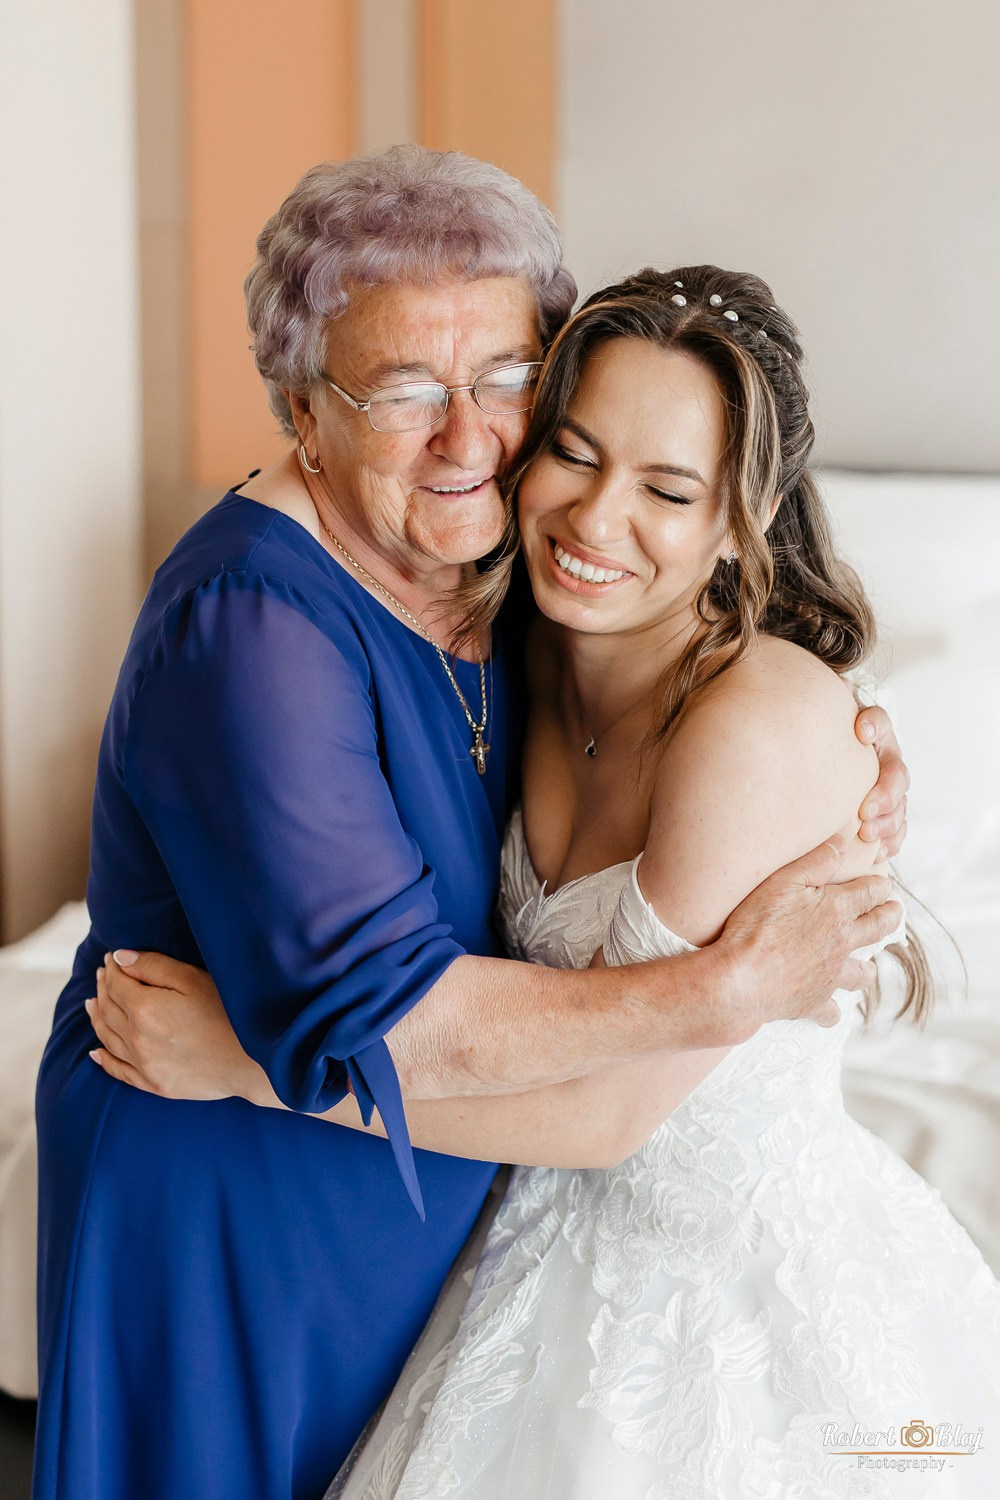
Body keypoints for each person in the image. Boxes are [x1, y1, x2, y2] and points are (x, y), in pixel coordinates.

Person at [37, 147, 906, 1500]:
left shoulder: (517, 595)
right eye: (399, 391)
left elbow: (723, 696)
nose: (470, 439)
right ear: (300, 409)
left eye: (506, 384)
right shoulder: (263, 627)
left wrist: (852, 744)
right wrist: (723, 986)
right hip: (238, 1214)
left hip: (483, 1242)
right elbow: (383, 1022)